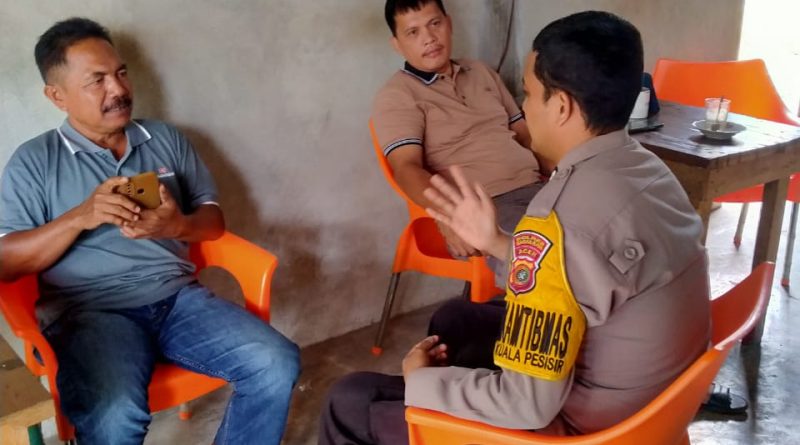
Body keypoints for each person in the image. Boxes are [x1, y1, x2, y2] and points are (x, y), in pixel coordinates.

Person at [319, 11, 711, 443]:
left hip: (586, 429)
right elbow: (569, 268)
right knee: (457, 318)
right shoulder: (649, 169)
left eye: (528, 93)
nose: (522, 107)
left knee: (351, 399)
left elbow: (525, 404)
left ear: (561, 107)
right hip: (654, 405)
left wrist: (421, 381)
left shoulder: (554, 222)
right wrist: (495, 241)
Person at [0, 18, 299, 445]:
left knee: (276, 363)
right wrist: (81, 216)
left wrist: (178, 225)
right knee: (115, 414)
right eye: (97, 80)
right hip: (91, 314)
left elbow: (213, 221)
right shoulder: (33, 162)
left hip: (178, 299)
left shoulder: (163, 138)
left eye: (121, 73)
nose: (118, 89)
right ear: (57, 96)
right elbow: (7, 263)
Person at [374, 0, 546, 259]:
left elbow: (524, 135)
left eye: (435, 24)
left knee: (601, 223)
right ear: (397, 44)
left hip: (539, 188)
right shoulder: (398, 95)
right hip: (487, 207)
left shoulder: (480, 72)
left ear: (449, 24)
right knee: (549, 255)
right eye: (413, 32)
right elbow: (406, 169)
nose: (429, 38)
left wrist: (567, 174)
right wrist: (452, 214)